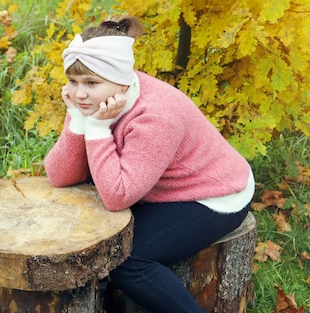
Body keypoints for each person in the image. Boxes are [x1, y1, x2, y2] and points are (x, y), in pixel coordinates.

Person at [43, 15, 255, 313]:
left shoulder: (156, 116)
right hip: (154, 185)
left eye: (91, 82)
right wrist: (79, 118)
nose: (79, 93)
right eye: (73, 81)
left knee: (127, 260)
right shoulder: (97, 100)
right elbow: (61, 175)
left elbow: (117, 197)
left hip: (212, 195)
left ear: (121, 78)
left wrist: (97, 129)